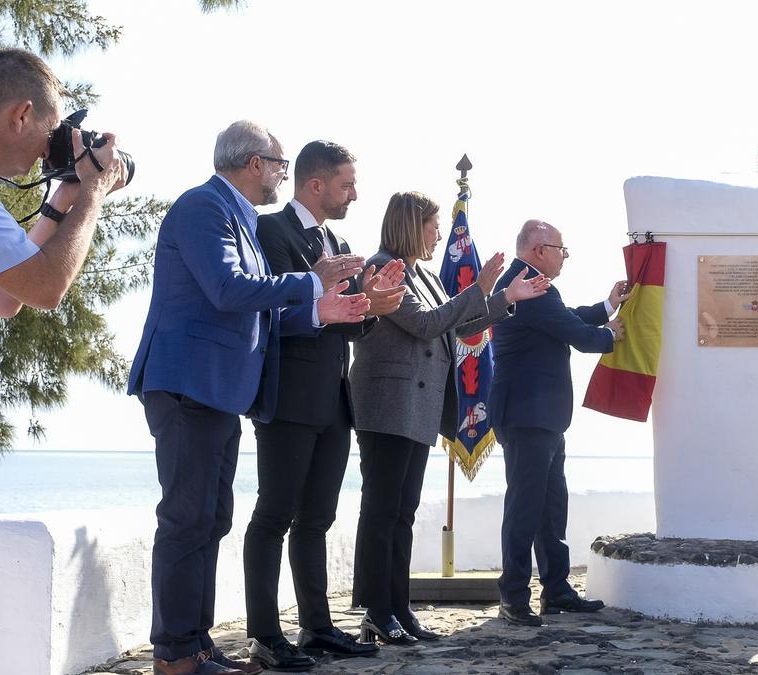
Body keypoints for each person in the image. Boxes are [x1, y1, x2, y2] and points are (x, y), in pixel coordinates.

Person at [128, 121, 372, 675]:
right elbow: (228, 289)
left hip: (221, 390)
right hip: (189, 384)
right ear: (254, 164)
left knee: (211, 519)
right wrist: (310, 282)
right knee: (187, 520)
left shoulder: (236, 216)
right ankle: (174, 655)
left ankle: (197, 644)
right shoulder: (202, 207)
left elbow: (261, 307)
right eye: (280, 165)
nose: (283, 175)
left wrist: (318, 305)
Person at [349, 192, 550, 645]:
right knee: (382, 513)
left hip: (417, 407)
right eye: (433, 225)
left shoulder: (422, 273)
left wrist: (502, 298)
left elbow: (455, 325)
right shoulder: (384, 268)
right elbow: (424, 323)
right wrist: (479, 288)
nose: (440, 234)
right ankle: (378, 612)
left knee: (402, 513)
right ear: (412, 225)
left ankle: (398, 608)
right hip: (387, 406)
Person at [243, 141, 406, 670]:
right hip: (290, 397)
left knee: (317, 519)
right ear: (316, 184)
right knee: (273, 516)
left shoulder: (337, 239)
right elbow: (271, 311)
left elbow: (347, 321)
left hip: (337, 400)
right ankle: (265, 636)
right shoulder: (271, 232)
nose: (354, 194)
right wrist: (322, 292)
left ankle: (317, 628)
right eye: (346, 185)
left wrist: (374, 306)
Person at [0, 48, 126, 403]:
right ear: (22, 115)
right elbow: (45, 288)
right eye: (51, 137)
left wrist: (60, 203)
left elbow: (2, 300)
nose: (47, 154)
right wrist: (95, 188)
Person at [490, 219, 629, 627]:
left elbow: (565, 317)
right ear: (539, 250)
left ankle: (557, 590)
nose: (564, 256)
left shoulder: (531, 282)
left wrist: (606, 307)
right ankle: (514, 597)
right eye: (561, 249)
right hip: (527, 416)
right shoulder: (528, 285)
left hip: (542, 417)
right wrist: (610, 334)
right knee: (525, 509)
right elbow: (578, 334)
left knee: (551, 507)